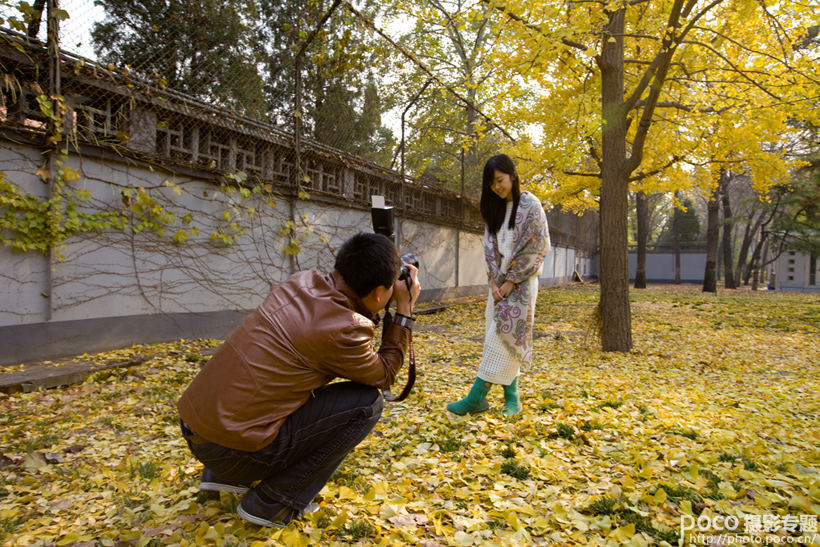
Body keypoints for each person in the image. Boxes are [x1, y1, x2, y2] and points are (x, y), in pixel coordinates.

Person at [177, 232, 420, 527]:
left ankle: (221, 479)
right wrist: (404, 309)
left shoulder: (301, 281)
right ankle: (272, 503)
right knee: (366, 404)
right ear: (380, 293)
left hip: (196, 426)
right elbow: (383, 375)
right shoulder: (344, 327)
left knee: (281, 379)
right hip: (231, 451)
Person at [447, 154, 550, 417]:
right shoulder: (495, 209)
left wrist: (512, 280)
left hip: (522, 285)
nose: (497, 187)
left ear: (513, 175)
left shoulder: (530, 204)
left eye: (500, 180)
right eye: (492, 184)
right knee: (502, 339)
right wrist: (494, 280)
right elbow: (489, 248)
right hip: (498, 286)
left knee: (502, 337)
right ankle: (511, 399)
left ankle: (476, 398)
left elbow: (536, 245)